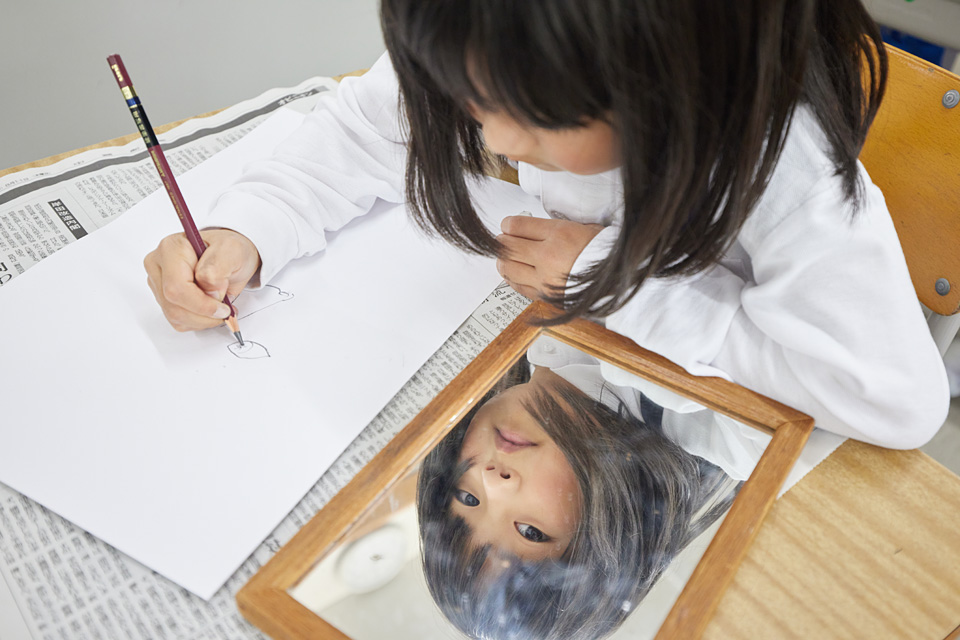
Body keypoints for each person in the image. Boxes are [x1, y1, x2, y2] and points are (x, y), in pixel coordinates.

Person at [143, 0, 949, 449]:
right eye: (469, 100)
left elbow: (892, 401)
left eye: (532, 116)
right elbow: (361, 131)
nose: (494, 140)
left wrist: (615, 284)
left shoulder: (782, 166)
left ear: (666, 78)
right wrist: (251, 230)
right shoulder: (490, 30)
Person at [416, 348, 739, 640]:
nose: (493, 483)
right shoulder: (723, 425)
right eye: (530, 532)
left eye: (468, 499)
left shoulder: (516, 343)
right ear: (609, 528)